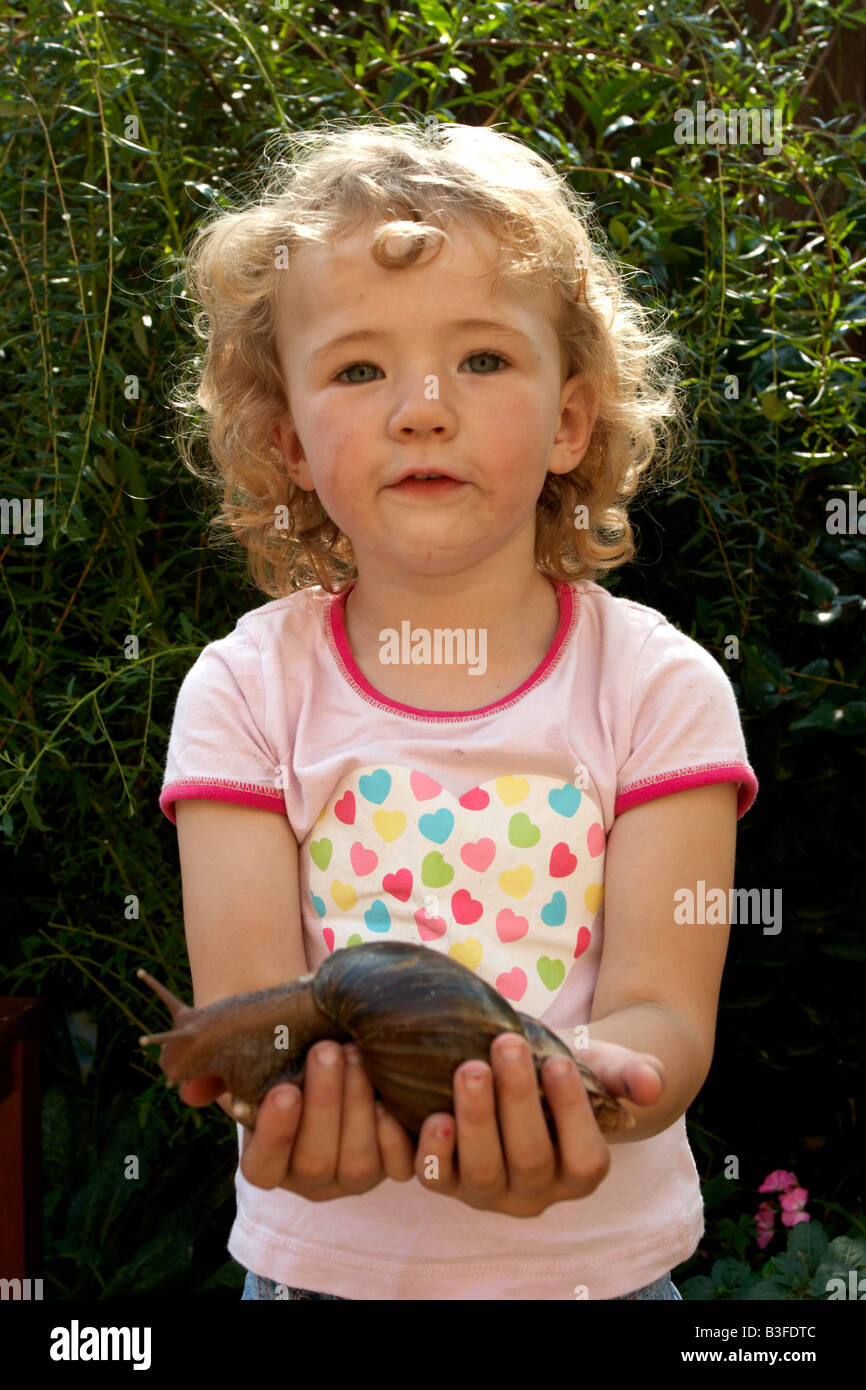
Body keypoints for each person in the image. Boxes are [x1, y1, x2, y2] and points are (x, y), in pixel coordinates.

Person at [157, 119, 758, 1300]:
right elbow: (248, 1012)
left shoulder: (659, 690)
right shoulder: (243, 692)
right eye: (358, 369)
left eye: (480, 360)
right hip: (320, 1277)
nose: (420, 409)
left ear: (570, 420)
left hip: (602, 1276)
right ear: (288, 440)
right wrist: (276, 1097)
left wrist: (599, 1082)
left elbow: (661, 1014)